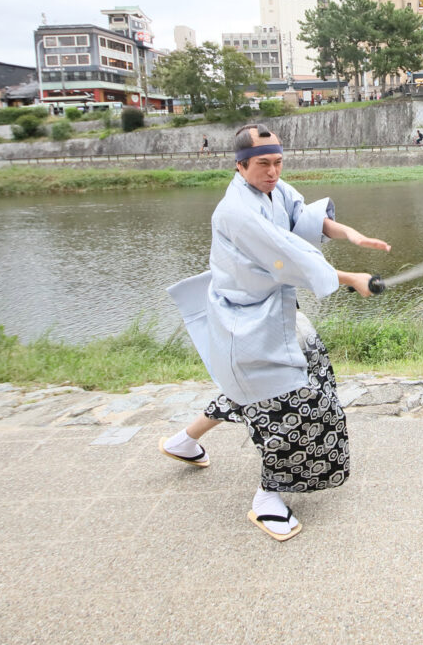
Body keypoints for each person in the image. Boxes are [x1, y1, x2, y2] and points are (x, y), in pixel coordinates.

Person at [163, 123, 390, 541]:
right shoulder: (235, 211)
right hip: (246, 319)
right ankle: (267, 497)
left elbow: (304, 219)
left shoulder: (274, 189)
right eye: (263, 164)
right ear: (240, 166)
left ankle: (183, 441)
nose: (272, 172)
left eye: (278, 163)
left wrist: (349, 234)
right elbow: (287, 256)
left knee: (258, 386)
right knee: (293, 402)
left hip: (273, 312)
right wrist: (351, 277)